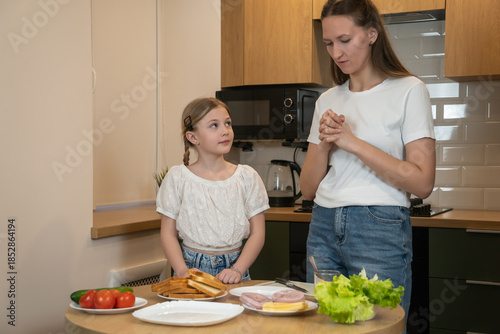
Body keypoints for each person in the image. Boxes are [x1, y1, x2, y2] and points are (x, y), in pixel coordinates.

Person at [300, 0, 436, 327]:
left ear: (372, 33)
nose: (336, 52)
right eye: (329, 43)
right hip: (323, 224)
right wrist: (325, 143)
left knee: (378, 328)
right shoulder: (327, 100)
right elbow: (307, 189)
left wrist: (351, 142)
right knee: (325, 327)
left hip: (379, 225)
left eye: (345, 40)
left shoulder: (409, 90)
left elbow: (422, 183)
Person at [156, 97, 269, 284]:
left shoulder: (247, 177)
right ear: (193, 137)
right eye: (214, 125)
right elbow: (168, 234)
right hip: (191, 271)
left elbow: (258, 234)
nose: (225, 131)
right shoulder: (178, 178)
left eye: (228, 123)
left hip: (236, 270)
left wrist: (237, 269)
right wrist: (182, 270)